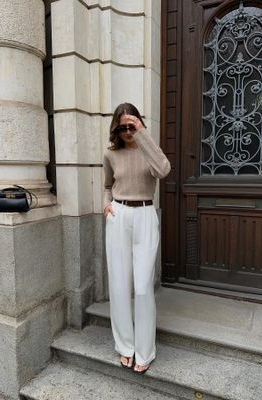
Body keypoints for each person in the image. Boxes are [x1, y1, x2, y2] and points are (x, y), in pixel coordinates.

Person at [103, 102, 171, 374]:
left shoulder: (149, 150)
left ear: (139, 123)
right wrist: (105, 205)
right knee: (119, 285)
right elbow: (108, 186)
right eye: (122, 127)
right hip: (118, 215)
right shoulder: (110, 154)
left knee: (142, 287)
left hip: (145, 215)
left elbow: (163, 170)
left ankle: (145, 350)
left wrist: (142, 134)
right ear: (116, 129)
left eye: (131, 125)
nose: (127, 131)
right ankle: (125, 346)